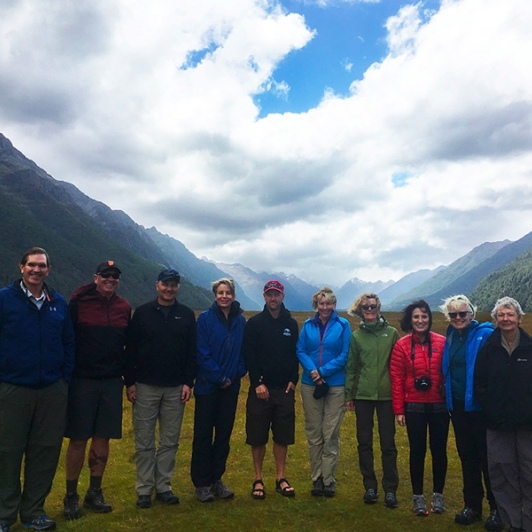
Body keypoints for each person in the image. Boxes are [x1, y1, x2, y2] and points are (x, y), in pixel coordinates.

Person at [0, 247, 74, 532]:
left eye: (42, 265)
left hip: (51, 390)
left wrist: (63, 379)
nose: (36, 270)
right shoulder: (5, 299)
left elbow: (68, 343)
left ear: (48, 270)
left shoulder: (58, 303)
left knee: (45, 452)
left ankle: (33, 512)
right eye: (31, 265)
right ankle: (4, 516)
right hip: (13, 389)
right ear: (21, 268)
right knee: (7, 452)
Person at [63, 261, 131, 520]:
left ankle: (95, 491)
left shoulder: (124, 307)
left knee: (102, 440)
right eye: (106, 275)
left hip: (111, 382)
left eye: (115, 276)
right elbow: (66, 340)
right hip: (82, 381)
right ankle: (71, 496)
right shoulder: (79, 303)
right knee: (78, 439)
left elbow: (128, 346)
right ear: (96, 277)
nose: (110, 279)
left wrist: (128, 379)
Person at [125, 269, 197, 509]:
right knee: (144, 441)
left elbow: (191, 352)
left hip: (176, 387)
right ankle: (144, 489)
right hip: (145, 386)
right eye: (165, 284)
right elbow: (131, 349)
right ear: (157, 285)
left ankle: (164, 487)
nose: (169, 289)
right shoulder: (143, 313)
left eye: (174, 285)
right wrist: (130, 382)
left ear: (178, 287)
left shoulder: (186, 315)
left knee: (169, 441)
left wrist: (189, 382)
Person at [440, 294, 502, 531]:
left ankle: (497, 509)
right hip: (457, 406)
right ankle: (472, 506)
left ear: (471, 313)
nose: (458, 318)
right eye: (453, 314)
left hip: (479, 407)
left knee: (488, 459)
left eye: (462, 313)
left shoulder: (485, 334)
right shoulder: (451, 334)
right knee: (467, 457)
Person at [475, 297, 532, 532]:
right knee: (502, 473)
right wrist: (491, 411)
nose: (506, 319)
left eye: (510, 314)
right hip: (497, 425)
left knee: (529, 473)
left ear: (519, 318)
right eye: (501, 315)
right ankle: (513, 522)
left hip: (528, 425)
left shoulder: (530, 347)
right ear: (495, 320)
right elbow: (480, 385)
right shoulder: (488, 349)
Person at [389, 300, 448, 516]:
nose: (420, 320)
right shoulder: (402, 345)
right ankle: (418, 497)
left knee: (439, 451)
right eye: (416, 317)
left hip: (439, 405)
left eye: (424, 316)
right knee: (417, 451)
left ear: (429, 319)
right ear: (410, 320)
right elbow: (396, 378)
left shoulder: (443, 342)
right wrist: (398, 409)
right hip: (413, 406)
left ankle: (438, 495)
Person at [191, 278, 246, 502]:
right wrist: (219, 376)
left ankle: (217, 480)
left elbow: (244, 352)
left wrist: (236, 374)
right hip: (207, 387)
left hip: (230, 388)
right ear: (215, 295)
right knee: (203, 435)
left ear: (233, 295)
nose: (224, 296)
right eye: (220, 292)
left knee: (223, 436)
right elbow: (201, 352)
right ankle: (201, 484)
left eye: (228, 292)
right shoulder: (205, 319)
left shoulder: (241, 321)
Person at [243, 280, 299, 500]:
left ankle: (280, 477)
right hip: (260, 390)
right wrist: (257, 382)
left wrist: (294, 379)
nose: (273, 298)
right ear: (264, 297)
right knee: (257, 436)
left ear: (282, 296)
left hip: (284, 390)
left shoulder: (291, 324)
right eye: (269, 295)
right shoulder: (255, 323)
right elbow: (249, 354)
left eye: (276, 295)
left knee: (282, 436)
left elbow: (296, 354)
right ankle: (258, 478)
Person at [345, 292, 399, 508]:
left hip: (387, 396)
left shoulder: (392, 333)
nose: (369, 310)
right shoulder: (356, 337)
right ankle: (370, 487)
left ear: (379, 308)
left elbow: (397, 366)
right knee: (364, 443)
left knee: (388, 443)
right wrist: (349, 394)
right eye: (365, 307)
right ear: (360, 310)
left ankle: (390, 490)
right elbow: (351, 367)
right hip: (363, 396)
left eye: (373, 306)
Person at [296, 287, 351, 497]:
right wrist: (312, 371)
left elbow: (345, 354)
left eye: (329, 303)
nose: (325, 307)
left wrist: (322, 371)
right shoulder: (308, 325)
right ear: (316, 305)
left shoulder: (343, 325)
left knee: (331, 432)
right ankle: (316, 478)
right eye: (321, 303)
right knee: (314, 432)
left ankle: (328, 479)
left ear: (334, 305)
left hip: (335, 385)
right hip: (311, 385)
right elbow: (300, 350)